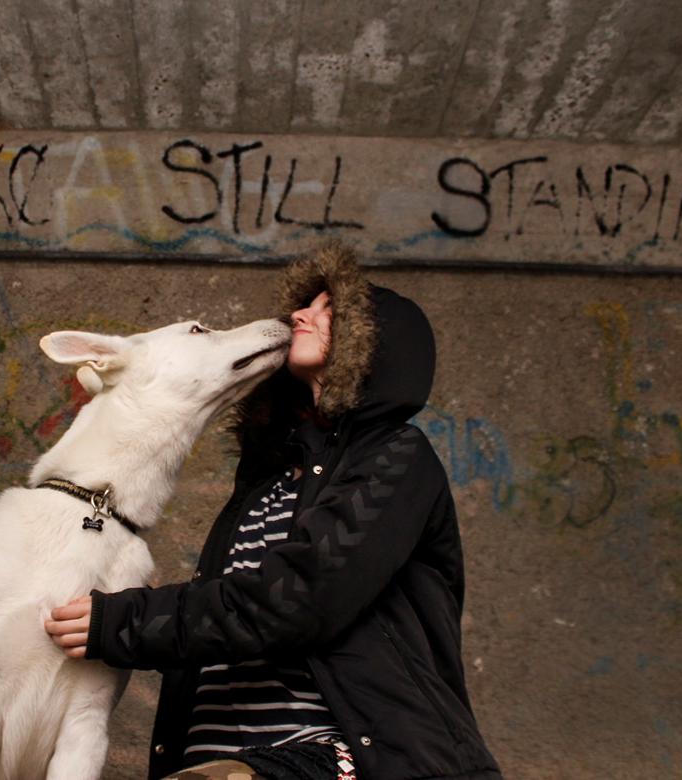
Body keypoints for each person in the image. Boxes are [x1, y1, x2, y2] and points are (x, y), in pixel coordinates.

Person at [45, 243, 501, 780]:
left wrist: (126, 621)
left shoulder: (395, 457)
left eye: (329, 310)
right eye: (305, 305)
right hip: (213, 761)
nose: (300, 315)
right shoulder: (265, 477)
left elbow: (301, 598)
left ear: (375, 344)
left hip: (340, 756)